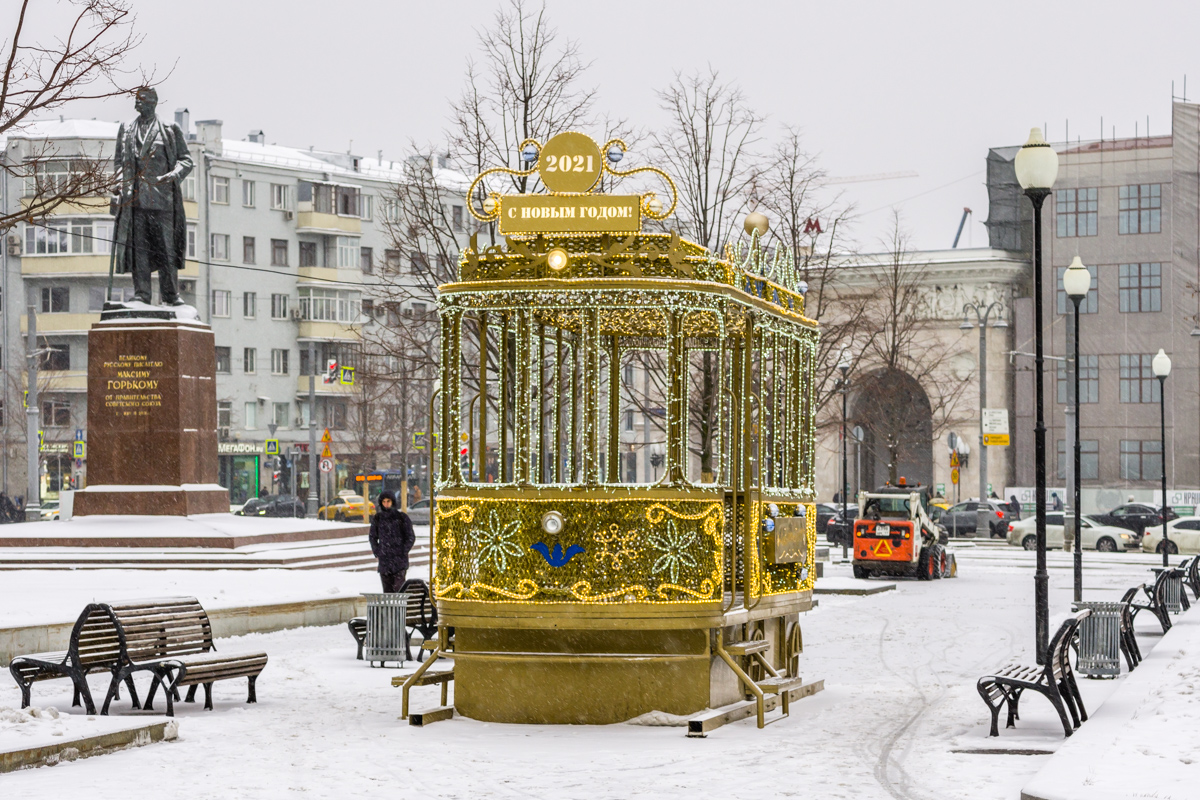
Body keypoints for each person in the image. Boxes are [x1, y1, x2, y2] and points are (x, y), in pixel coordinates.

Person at [112, 87, 194, 306]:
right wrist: (118, 184)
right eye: (136, 101)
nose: (137, 105)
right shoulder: (127, 128)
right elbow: (120, 162)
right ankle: (142, 294)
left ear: (153, 103)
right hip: (135, 202)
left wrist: (173, 175)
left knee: (167, 249)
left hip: (163, 201)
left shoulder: (169, 129)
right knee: (139, 250)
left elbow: (186, 160)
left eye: (142, 101)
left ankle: (170, 295)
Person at [369, 490, 415, 593]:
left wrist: (403, 551)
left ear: (393, 502)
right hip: (385, 562)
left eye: (388, 501)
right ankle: (390, 610)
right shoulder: (378, 518)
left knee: (399, 591)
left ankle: (398, 610)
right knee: (387, 592)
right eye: (384, 501)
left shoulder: (402, 518)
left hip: (399, 562)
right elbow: (372, 537)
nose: (386, 504)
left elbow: (410, 536)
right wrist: (377, 551)